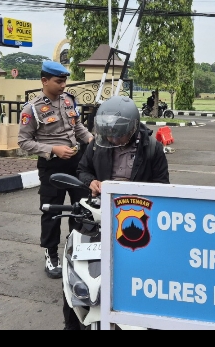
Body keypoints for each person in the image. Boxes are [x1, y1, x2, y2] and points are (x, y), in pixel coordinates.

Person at [67, 95, 168, 330]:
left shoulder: (152, 148)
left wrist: (138, 192)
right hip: (100, 213)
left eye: (119, 134)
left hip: (138, 216)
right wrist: (91, 182)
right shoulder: (97, 144)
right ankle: (72, 323)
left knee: (140, 268)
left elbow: (163, 185)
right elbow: (82, 169)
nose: (113, 139)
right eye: (109, 134)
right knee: (78, 268)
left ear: (132, 128)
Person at [17, 61, 94, 279]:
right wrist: (53, 149)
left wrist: (91, 139)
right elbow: (23, 141)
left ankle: (76, 250)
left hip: (76, 163)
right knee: (52, 212)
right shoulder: (31, 109)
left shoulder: (69, 100)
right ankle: (51, 254)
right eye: (58, 81)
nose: (63, 85)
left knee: (81, 208)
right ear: (44, 81)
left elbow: (77, 127)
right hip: (52, 166)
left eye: (64, 81)